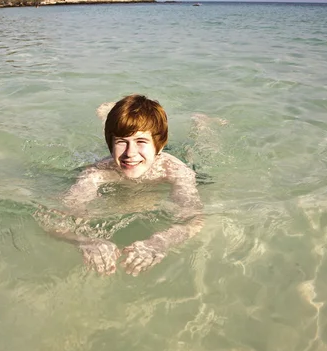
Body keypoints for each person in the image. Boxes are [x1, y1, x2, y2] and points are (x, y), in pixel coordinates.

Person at [35, 94, 203, 277]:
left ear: (159, 147)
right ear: (111, 146)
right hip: (140, 155)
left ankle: (200, 124)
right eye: (121, 142)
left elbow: (194, 220)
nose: (130, 153)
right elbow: (52, 219)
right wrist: (85, 241)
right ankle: (112, 120)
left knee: (194, 148)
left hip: (172, 157)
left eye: (140, 142)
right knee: (121, 128)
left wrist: (161, 241)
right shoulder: (97, 173)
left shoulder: (176, 171)